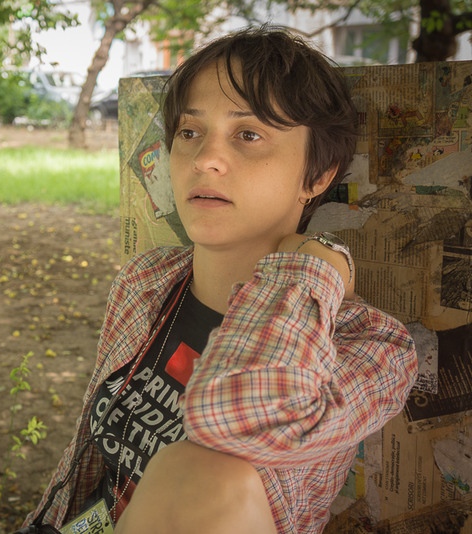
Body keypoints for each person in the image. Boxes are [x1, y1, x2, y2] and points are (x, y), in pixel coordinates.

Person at [22, 26, 417, 534]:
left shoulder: (374, 348)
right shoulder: (147, 281)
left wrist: (315, 264)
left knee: (204, 476)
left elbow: (243, 426)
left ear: (317, 176)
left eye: (248, 135)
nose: (204, 158)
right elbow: (88, 460)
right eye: (190, 132)